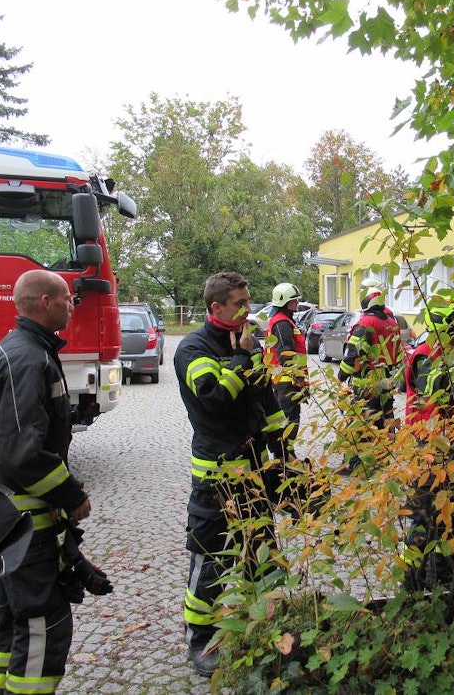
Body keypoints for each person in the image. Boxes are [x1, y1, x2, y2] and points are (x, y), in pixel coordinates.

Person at [0, 269, 110, 695]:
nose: (73, 305)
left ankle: (3, 687)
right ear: (45, 303)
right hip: (26, 524)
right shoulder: (28, 358)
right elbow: (22, 451)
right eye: (68, 299)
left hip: (12, 520)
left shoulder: (23, 350)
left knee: (14, 619)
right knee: (42, 628)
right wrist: (70, 494)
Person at [173, 271, 289, 678]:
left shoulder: (247, 344)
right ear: (215, 308)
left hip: (256, 470)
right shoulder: (193, 349)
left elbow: (264, 399)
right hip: (217, 477)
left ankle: (265, 627)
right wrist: (240, 358)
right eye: (239, 304)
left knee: (263, 552)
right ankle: (200, 639)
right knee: (211, 562)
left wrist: (284, 449)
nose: (247, 310)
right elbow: (215, 402)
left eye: (248, 301)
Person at [401, 292, 454, 591]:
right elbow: (437, 394)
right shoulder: (427, 355)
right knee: (425, 519)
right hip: (431, 449)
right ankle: (412, 586)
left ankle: (442, 582)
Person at [336, 282, 403, 472]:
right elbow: (397, 354)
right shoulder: (392, 321)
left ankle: (355, 464)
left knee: (359, 421)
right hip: (387, 380)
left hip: (366, 381)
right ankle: (383, 459)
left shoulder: (365, 324)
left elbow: (352, 356)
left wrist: (341, 376)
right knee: (385, 419)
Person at [263, 282, 309, 459]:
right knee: (290, 420)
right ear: (283, 302)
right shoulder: (282, 323)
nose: (296, 305)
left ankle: (286, 453)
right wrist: (298, 380)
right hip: (286, 381)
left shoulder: (283, 320)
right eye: (293, 302)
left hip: (284, 380)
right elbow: (286, 353)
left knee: (289, 418)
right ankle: (286, 455)